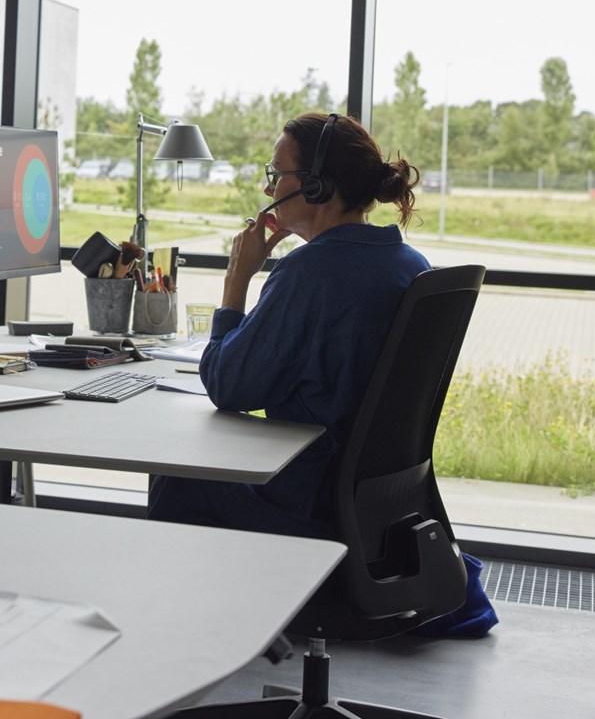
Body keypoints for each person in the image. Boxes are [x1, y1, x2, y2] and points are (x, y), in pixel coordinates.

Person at [148, 112, 428, 540]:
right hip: (379, 506)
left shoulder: (310, 274)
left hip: (306, 500)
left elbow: (229, 386)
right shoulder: (410, 263)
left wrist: (236, 281)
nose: (268, 189)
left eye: (277, 175)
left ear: (316, 186)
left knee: (176, 472)